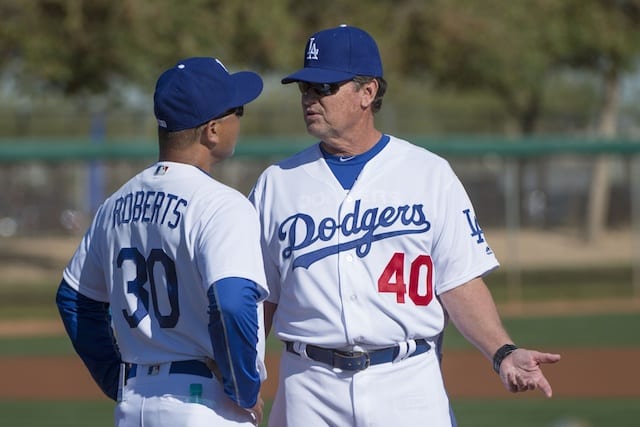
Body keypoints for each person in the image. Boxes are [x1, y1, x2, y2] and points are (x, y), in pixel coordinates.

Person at [248, 25, 561, 426]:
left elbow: (458, 281)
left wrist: (502, 352)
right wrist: (245, 374)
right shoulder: (278, 182)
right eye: (305, 88)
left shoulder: (428, 174)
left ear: (368, 92)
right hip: (308, 384)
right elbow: (262, 299)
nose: (310, 97)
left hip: (407, 382)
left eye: (324, 86)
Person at [56, 56, 269, 426]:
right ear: (213, 130)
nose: (241, 118)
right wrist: (244, 390)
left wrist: (115, 377)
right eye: (238, 110)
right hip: (202, 403)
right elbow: (233, 303)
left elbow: (74, 298)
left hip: (134, 403)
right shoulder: (222, 205)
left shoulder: (115, 203)